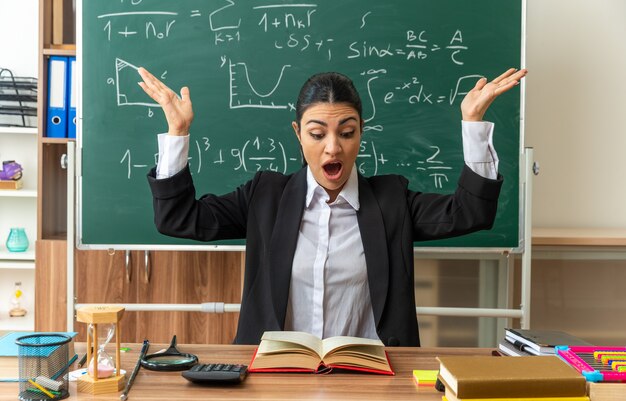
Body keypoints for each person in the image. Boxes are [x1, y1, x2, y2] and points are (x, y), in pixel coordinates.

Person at [138, 67, 527, 346]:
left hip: (372, 379)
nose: (332, 148)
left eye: (347, 133)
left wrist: (473, 125)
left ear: (361, 133)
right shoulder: (265, 197)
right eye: (317, 133)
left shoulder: (391, 199)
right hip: (275, 377)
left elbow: (471, 212)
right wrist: (177, 134)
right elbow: (179, 218)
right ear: (298, 134)